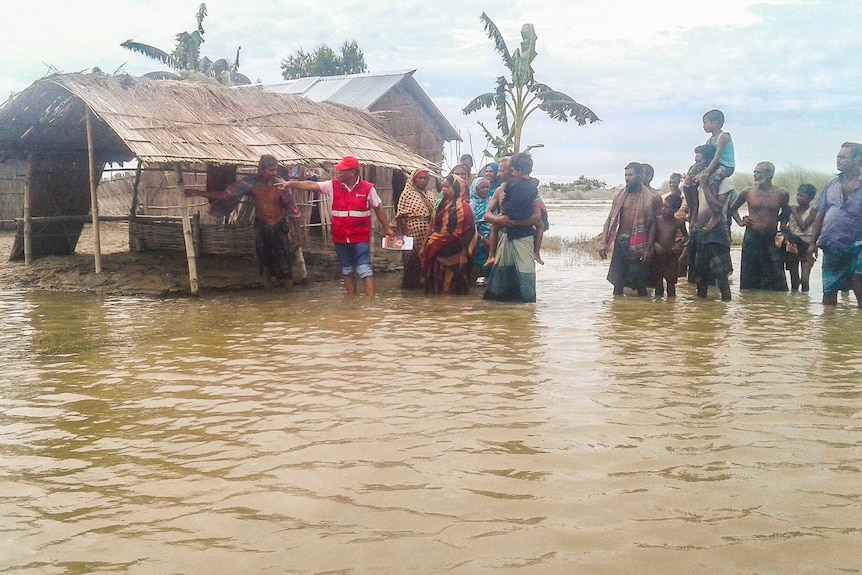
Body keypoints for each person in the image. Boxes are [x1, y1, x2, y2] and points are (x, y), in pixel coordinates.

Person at [186, 154, 301, 291]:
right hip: (262, 226)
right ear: (262, 170)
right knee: (264, 264)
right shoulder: (251, 184)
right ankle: (269, 295)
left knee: (285, 264)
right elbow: (226, 194)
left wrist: (296, 236)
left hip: (279, 226)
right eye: (271, 170)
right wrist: (197, 193)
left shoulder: (281, 186)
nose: (274, 173)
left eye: (275, 170)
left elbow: (294, 211)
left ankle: (289, 295)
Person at [284, 156, 395, 297]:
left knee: (364, 269)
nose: (338, 172)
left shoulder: (368, 188)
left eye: (341, 170)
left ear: (352, 173)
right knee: (347, 270)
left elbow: (378, 208)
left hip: (360, 237)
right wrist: (291, 184)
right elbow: (312, 186)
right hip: (340, 237)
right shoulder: (333, 185)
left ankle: (370, 303)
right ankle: (351, 300)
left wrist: (387, 228)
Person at [807, 142, 862, 307]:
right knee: (829, 290)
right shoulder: (831, 185)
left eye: (843, 157)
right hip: (832, 244)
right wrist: (812, 243)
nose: (838, 160)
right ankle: (830, 326)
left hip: (858, 245)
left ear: (858, 159)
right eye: (838, 156)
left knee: (858, 281)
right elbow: (820, 215)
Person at [483, 153, 542, 302]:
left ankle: (526, 311)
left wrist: (516, 223)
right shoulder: (499, 191)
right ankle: (505, 312)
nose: (498, 174)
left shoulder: (531, 190)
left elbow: (537, 217)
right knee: (502, 277)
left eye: (502, 171)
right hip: (504, 235)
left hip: (523, 237)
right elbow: (487, 216)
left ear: (512, 171)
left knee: (525, 275)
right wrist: (500, 220)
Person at [600, 162, 663, 296]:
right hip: (621, 241)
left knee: (640, 284)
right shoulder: (620, 196)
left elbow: (653, 224)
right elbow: (610, 218)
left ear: (640, 175)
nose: (627, 178)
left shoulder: (652, 197)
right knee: (618, 283)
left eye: (630, 175)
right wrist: (603, 242)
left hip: (640, 243)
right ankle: (617, 312)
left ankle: (640, 314)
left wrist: (649, 248)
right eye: (626, 175)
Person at [730, 161, 790, 291]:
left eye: (759, 172)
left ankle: (774, 303)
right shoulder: (747, 192)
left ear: (769, 174)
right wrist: (740, 222)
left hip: (771, 236)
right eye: (754, 172)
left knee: (776, 273)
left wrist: (783, 230)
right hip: (752, 235)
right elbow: (732, 208)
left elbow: (786, 213)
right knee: (749, 272)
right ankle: (750, 302)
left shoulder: (781, 193)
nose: (755, 175)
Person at [688, 145, 737, 301]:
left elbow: (716, 208)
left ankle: (724, 310)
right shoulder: (701, 179)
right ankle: (702, 313)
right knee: (700, 278)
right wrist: (688, 187)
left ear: (710, 161)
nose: (696, 164)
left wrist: (704, 185)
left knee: (721, 277)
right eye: (695, 161)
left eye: (699, 161)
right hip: (701, 231)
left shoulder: (724, 181)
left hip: (717, 233)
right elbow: (694, 206)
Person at [420, 174, 476, 295]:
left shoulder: (464, 208)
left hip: (455, 252)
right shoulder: (440, 204)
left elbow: (468, 233)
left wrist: (464, 255)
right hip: (437, 250)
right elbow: (432, 225)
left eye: (447, 187)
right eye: (443, 187)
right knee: (435, 287)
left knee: (451, 288)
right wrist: (424, 245)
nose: (443, 190)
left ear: (456, 188)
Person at [394, 168, 437, 289]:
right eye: (420, 178)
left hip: (429, 234)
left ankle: (427, 286)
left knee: (429, 260)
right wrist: (402, 237)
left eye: (425, 178)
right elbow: (400, 217)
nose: (422, 181)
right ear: (414, 179)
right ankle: (411, 289)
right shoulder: (407, 194)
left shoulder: (430, 195)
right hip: (412, 234)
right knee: (413, 262)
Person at [782, 183, 818, 292]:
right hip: (793, 245)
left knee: (805, 279)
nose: (799, 198)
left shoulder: (813, 211)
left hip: (807, 246)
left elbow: (803, 226)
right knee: (794, 279)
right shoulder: (791, 210)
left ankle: (804, 303)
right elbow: (783, 225)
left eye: (802, 195)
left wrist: (794, 211)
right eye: (798, 195)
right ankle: (795, 304)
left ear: (811, 198)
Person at [651, 194, 688, 297]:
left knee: (671, 286)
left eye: (667, 207)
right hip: (657, 257)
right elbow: (651, 236)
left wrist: (679, 244)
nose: (663, 209)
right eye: (663, 206)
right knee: (658, 287)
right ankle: (658, 311)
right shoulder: (657, 220)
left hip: (671, 257)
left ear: (675, 209)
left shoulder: (678, 222)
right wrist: (655, 245)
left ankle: (670, 310)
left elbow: (686, 237)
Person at [469, 168, 497, 284]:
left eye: (487, 187)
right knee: (473, 270)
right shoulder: (470, 206)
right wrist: (482, 239)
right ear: (475, 189)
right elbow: (470, 226)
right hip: (477, 241)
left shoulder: (492, 203)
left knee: (491, 272)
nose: (486, 190)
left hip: (492, 241)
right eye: (482, 187)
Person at [701, 109, 735, 192]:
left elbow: (717, 156)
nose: (703, 126)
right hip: (716, 165)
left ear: (714, 123)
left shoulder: (724, 137)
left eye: (705, 123)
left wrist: (707, 171)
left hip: (726, 166)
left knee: (713, 181)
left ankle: (716, 203)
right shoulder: (709, 141)